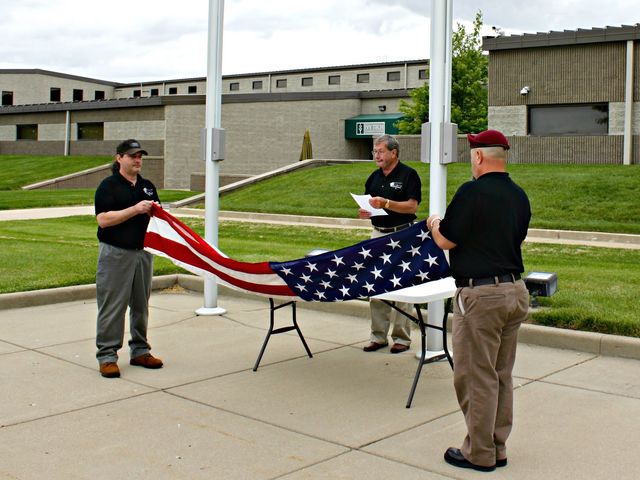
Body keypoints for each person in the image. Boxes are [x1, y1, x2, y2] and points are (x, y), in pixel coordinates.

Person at [426, 129, 531, 472]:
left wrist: (434, 223)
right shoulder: (519, 195)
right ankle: (497, 446)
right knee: (500, 374)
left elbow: (446, 240)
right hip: (514, 292)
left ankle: (479, 452)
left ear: (479, 156)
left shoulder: (471, 192)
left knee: (475, 376)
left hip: (481, 297)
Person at [94, 139, 163, 378]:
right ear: (119, 158)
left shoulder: (147, 186)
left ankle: (140, 350)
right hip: (115, 252)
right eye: (132, 155)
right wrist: (135, 209)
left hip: (142, 253)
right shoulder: (109, 186)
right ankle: (107, 355)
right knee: (113, 304)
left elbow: (158, 218)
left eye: (140, 156)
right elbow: (102, 219)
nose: (137, 160)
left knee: (141, 304)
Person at [358, 134, 422, 354]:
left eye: (381, 151)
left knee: (402, 284)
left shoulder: (408, 175)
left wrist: (386, 203)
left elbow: (412, 207)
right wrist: (366, 212)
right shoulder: (373, 178)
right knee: (375, 285)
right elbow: (369, 203)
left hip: (402, 235)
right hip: (378, 235)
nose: (377, 155)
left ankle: (402, 338)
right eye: (375, 151)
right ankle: (378, 336)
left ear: (393, 153)